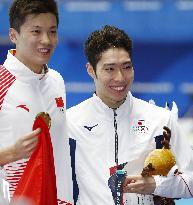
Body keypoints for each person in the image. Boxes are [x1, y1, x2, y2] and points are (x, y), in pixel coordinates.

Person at [67, 25, 193, 205]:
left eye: (126, 67)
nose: (120, 78)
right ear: (91, 70)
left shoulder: (161, 120)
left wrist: (155, 185)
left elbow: (191, 181)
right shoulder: (70, 123)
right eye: (110, 69)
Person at [0, 0, 73, 204]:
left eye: (52, 31)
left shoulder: (57, 80)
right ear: (13, 35)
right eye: (36, 31)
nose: (46, 40)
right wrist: (9, 154)